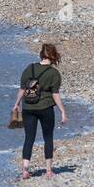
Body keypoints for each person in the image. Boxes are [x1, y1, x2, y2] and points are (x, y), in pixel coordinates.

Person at [10, 43, 67, 180]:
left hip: (28, 107)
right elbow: (55, 94)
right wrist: (62, 111)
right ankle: (48, 171)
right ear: (53, 56)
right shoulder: (54, 73)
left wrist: (16, 104)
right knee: (48, 137)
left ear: (41, 54)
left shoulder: (30, 68)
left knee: (29, 138)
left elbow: (22, 89)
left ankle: (25, 170)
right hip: (45, 108)